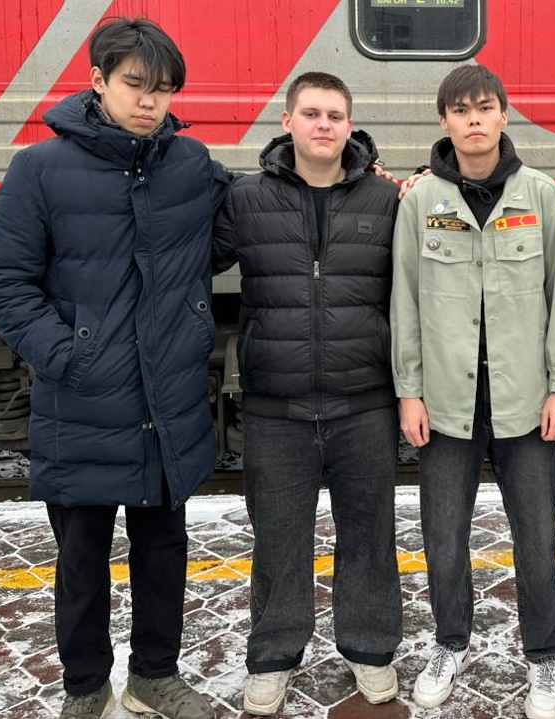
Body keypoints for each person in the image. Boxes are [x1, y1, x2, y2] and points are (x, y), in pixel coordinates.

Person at [0, 18, 230, 719]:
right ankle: (85, 686)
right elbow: (5, 282)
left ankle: (155, 675)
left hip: (167, 401)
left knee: (163, 552)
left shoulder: (190, 164)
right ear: (97, 80)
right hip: (84, 400)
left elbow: (252, 217)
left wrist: (368, 181)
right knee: (82, 561)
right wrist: (68, 355)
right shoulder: (39, 169)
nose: (150, 101)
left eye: (164, 89)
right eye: (135, 84)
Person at [390, 65, 555, 719]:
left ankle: (544, 658)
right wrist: (409, 391)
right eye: (460, 109)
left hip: (525, 402)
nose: (473, 119)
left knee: (536, 538)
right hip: (446, 404)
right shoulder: (420, 201)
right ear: (444, 121)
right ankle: (450, 643)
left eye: (484, 107)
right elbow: (404, 302)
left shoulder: (542, 197)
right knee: (443, 537)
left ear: (504, 114)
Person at [212, 72, 402, 716]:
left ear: (350, 126)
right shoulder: (245, 199)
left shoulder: (386, 198)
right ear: (287, 121)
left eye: (335, 115)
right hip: (277, 405)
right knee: (278, 540)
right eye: (312, 113)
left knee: (369, 537)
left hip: (365, 400)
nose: (324, 125)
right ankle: (273, 656)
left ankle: (370, 648)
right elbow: (189, 258)